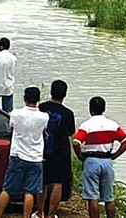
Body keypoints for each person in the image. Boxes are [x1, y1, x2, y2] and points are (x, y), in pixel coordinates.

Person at [0, 86, 49, 218]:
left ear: (24, 98)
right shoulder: (44, 117)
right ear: (38, 99)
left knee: (7, 189)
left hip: (17, 155)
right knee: (29, 192)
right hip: (35, 157)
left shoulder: (15, 114)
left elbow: (11, 127)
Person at [73, 97, 126, 218]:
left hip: (91, 160)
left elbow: (76, 142)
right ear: (104, 109)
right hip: (107, 161)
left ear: (90, 109)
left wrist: (80, 155)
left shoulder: (86, 125)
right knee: (108, 198)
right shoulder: (113, 125)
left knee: (92, 197)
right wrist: (114, 156)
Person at [35, 80, 76, 218]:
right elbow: (70, 132)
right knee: (58, 182)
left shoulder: (41, 107)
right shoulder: (68, 113)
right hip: (61, 152)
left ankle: (39, 212)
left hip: (43, 149)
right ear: (65, 94)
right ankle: (51, 215)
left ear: (51, 92)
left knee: (43, 182)